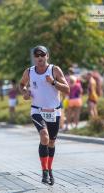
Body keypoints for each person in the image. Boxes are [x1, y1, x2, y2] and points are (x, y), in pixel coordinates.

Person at [19, 45, 70, 185]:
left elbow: (67, 89)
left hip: (54, 112)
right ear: (34, 58)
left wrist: (53, 82)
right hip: (37, 110)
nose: (40, 58)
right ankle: (44, 172)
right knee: (44, 137)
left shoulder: (54, 70)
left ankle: (49, 168)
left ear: (47, 56)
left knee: (52, 142)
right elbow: (22, 84)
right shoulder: (29, 72)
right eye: (37, 55)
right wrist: (25, 92)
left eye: (42, 55)